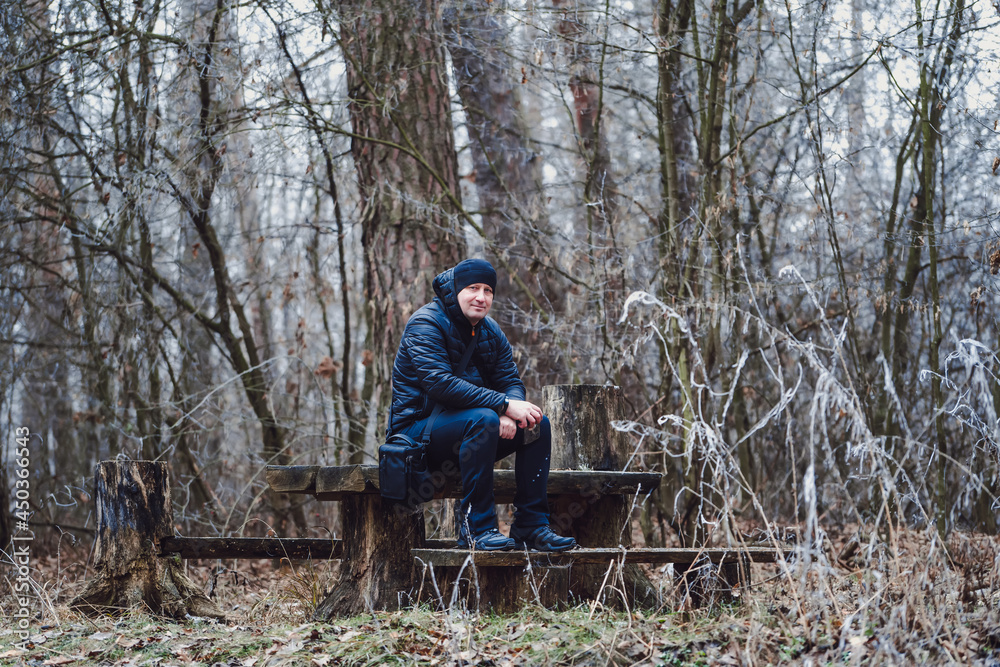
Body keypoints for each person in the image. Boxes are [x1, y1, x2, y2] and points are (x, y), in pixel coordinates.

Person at [388, 258, 577, 552]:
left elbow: (510, 380)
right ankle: (477, 529)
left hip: (474, 429)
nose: (481, 296)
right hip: (418, 437)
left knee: (536, 425)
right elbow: (440, 384)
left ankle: (531, 525)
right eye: (473, 288)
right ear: (455, 290)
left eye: (488, 290)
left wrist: (512, 408)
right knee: (483, 420)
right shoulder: (424, 324)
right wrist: (500, 407)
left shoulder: (490, 331)